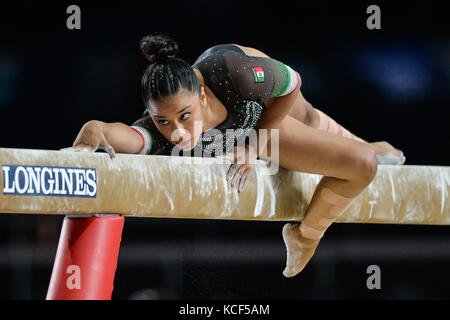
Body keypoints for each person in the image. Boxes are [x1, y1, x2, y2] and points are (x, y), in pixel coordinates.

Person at [62, 33, 405, 277]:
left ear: (203, 97)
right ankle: (366, 152)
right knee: (363, 162)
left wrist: (257, 141)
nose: (177, 133)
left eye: (185, 115)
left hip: (261, 109)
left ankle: (305, 234)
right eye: (162, 121)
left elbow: (292, 82)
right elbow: (126, 136)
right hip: (246, 131)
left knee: (317, 124)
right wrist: (95, 128)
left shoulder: (234, 75)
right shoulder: (160, 128)